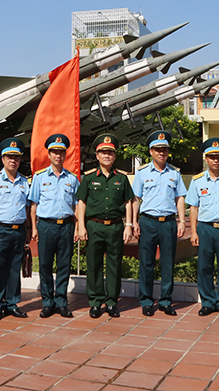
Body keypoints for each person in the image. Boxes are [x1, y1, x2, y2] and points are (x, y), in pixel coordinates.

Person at [75, 134, 135, 318]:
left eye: (110, 152)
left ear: (115, 156)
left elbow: (128, 203)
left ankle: (111, 302)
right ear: (98, 155)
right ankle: (94, 302)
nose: (107, 155)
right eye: (103, 152)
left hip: (116, 227)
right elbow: (81, 203)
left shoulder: (122, 179)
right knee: (93, 265)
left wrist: (129, 225)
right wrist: (81, 226)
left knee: (114, 265)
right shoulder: (88, 178)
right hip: (94, 226)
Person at [132, 130, 186, 317]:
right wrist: (134, 222)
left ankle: (165, 301)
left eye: (164, 149)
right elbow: (135, 199)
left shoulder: (175, 173)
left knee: (167, 263)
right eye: (157, 149)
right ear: (150, 152)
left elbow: (180, 198)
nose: (161, 152)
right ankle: (146, 301)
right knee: (146, 263)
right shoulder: (142, 173)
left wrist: (181, 221)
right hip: (148, 222)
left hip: (168, 223)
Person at [186, 137, 219, 317]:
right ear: (206, 159)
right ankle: (208, 302)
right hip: (205, 228)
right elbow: (193, 208)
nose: (215, 160)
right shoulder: (197, 181)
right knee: (205, 266)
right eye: (212, 157)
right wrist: (194, 232)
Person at [28, 133, 79, 318]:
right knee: (45, 265)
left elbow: (76, 205)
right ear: (49, 154)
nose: (58, 155)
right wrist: (34, 227)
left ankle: (61, 303)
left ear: (65, 155)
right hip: (47, 226)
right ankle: (48, 302)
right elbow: (33, 205)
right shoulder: (40, 178)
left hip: (66, 226)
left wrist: (78, 226)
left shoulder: (72, 179)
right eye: (54, 152)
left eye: (61, 152)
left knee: (64, 265)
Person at [0, 137, 31, 321]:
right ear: (2, 159)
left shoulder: (24, 181)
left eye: (16, 157)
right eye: (9, 157)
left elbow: (27, 207)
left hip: (18, 230)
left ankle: (12, 303)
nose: (13, 160)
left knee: (13, 268)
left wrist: (28, 229)